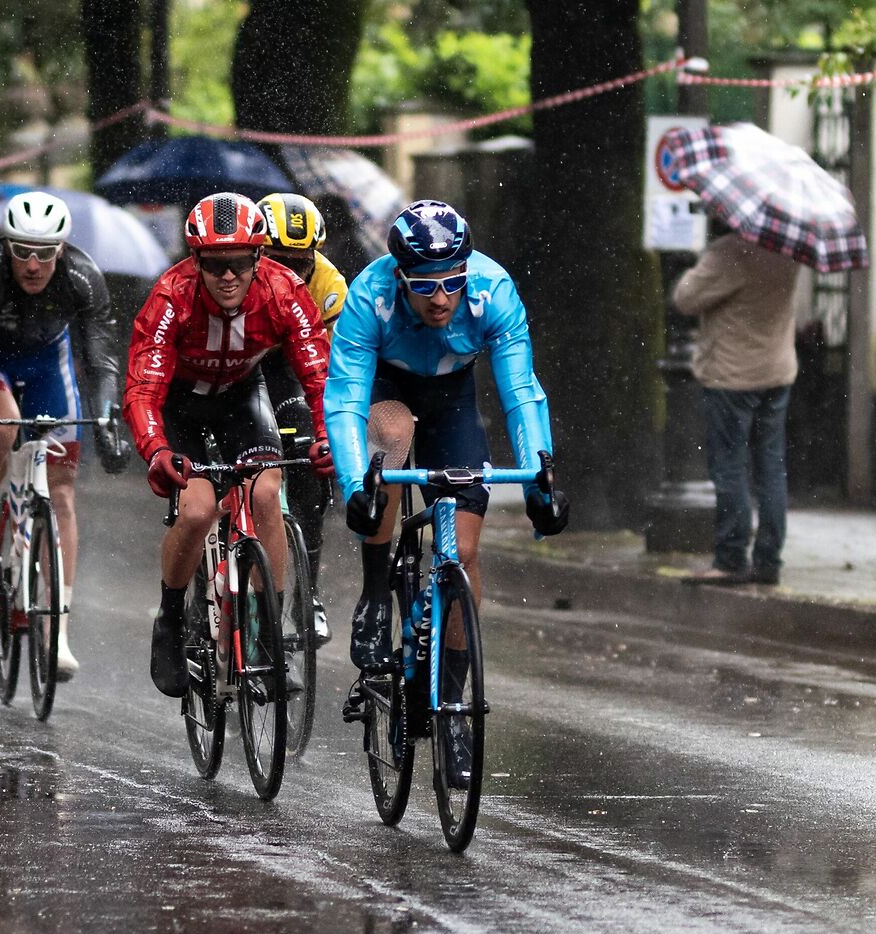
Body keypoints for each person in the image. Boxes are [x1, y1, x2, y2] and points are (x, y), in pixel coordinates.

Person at [325, 200, 569, 735]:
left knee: (465, 548)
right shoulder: (371, 296)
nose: (441, 299)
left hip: (453, 398)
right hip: (388, 390)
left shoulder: (492, 291)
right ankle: (373, 597)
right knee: (390, 436)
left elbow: (521, 392)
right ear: (400, 276)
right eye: (426, 285)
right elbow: (345, 399)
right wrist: (353, 485)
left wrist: (539, 478)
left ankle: (453, 702)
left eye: (451, 282)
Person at [124, 192, 334, 699]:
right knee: (196, 511)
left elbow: (320, 375)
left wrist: (328, 435)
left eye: (239, 263)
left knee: (266, 494)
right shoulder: (171, 296)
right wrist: (155, 448)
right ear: (195, 261)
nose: (228, 277)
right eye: (215, 265)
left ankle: (267, 636)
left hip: (243, 396)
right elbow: (143, 387)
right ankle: (170, 619)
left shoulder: (284, 290)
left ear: (259, 258)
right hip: (181, 405)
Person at [0, 191, 128, 678]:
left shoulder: (82, 276)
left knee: (64, 495)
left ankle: (58, 631)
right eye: (22, 251)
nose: (32, 264)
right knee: (4, 430)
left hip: (48, 366)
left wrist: (110, 421)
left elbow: (100, 357)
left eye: (44, 252)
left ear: (61, 250)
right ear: (6, 246)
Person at [672, 225, 800, 585]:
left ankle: (730, 558)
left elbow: (685, 298)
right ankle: (769, 560)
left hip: (733, 376)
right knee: (771, 469)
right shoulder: (788, 251)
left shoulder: (730, 252)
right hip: (776, 372)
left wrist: (697, 264)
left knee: (730, 467)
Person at [258, 191, 347, 642]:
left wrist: (329, 433)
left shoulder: (330, 287)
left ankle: (307, 591)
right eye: (277, 261)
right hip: (242, 367)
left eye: (300, 265)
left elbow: (328, 372)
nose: (289, 275)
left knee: (310, 462)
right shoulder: (236, 274)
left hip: (293, 370)